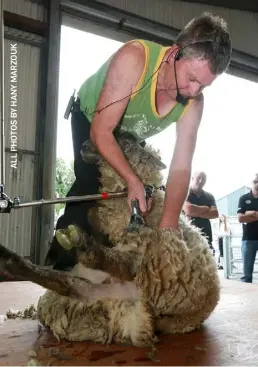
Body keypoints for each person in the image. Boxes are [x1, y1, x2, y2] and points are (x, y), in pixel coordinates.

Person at [45, 12, 231, 270]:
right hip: (93, 118)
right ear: (175, 53)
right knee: (90, 187)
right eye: (191, 79)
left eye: (203, 86)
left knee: (141, 200)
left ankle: (106, 272)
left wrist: (168, 228)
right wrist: (132, 180)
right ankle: (59, 268)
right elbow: (101, 132)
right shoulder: (134, 60)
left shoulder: (194, 103)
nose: (193, 92)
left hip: (129, 135)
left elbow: (181, 167)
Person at [183, 171, 219, 255]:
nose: (201, 181)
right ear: (192, 178)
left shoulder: (209, 196)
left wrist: (194, 212)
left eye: (203, 179)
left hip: (206, 236)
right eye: (198, 178)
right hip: (188, 235)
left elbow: (215, 213)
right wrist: (206, 208)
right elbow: (189, 209)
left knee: (206, 264)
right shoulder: (184, 193)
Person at [237, 174, 258, 283]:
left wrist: (250, 214)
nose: (257, 184)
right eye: (255, 181)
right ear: (251, 182)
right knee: (246, 276)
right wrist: (256, 214)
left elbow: (244, 217)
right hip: (248, 239)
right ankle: (245, 299)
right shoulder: (244, 198)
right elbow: (240, 219)